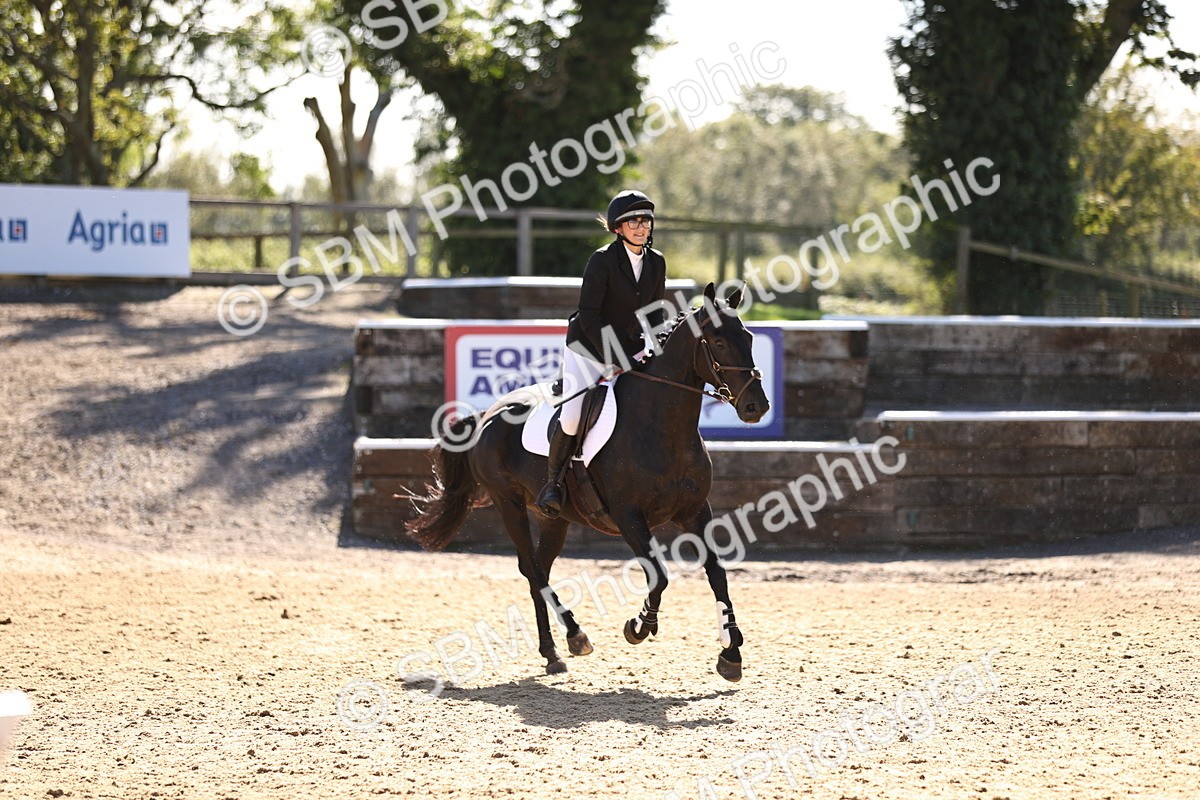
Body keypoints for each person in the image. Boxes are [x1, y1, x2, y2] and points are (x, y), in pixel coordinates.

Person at [534, 190, 669, 518]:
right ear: (618, 228)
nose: (641, 227)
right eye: (633, 221)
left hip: (629, 348)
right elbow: (589, 315)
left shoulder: (657, 262)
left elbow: (653, 313)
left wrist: (659, 346)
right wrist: (617, 355)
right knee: (572, 416)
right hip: (587, 348)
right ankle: (553, 485)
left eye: (645, 221)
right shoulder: (602, 260)